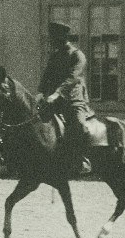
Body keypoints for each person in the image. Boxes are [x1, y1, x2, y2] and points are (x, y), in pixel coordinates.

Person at [39, 21, 94, 153]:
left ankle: (84, 159)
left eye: (54, 38)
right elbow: (46, 76)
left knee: (79, 127)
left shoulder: (77, 55)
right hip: (52, 102)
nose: (52, 41)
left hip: (73, 100)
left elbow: (72, 78)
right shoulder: (55, 56)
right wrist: (40, 92)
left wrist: (57, 93)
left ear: (63, 37)